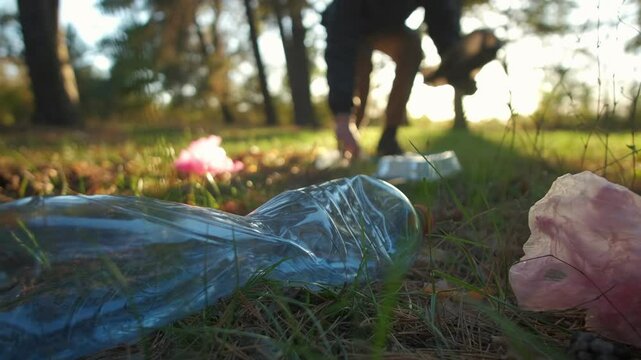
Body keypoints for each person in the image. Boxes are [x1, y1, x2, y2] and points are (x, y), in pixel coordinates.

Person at [321, 0, 463, 158]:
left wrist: (456, 62)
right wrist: (342, 115)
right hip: (348, 25)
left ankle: (389, 138)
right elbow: (340, 48)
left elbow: (440, 15)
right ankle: (348, 139)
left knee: (412, 46)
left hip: (387, 27)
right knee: (360, 71)